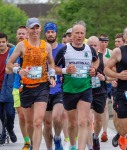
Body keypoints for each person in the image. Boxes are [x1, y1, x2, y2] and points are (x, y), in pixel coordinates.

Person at [6, 17, 56, 150]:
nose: (35, 31)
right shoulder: (22, 45)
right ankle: (33, 143)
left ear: (40, 29)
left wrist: (52, 76)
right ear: (27, 30)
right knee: (29, 123)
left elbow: (51, 62)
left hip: (42, 86)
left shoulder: (46, 46)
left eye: (37, 28)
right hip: (26, 87)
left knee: (38, 121)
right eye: (32, 28)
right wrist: (18, 70)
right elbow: (9, 64)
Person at [55, 21, 99, 150]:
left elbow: (96, 61)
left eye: (81, 33)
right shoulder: (64, 50)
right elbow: (54, 67)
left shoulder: (90, 50)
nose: (79, 36)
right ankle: (73, 145)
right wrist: (65, 70)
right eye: (76, 33)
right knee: (72, 123)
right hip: (69, 89)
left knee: (83, 121)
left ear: (84, 35)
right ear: (72, 35)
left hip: (85, 88)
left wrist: (94, 69)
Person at [43, 22, 64, 150]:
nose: (50, 34)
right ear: (45, 33)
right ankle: (49, 148)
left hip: (59, 89)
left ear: (56, 33)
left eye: (52, 31)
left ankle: (57, 137)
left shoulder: (63, 49)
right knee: (46, 123)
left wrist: (64, 74)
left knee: (57, 118)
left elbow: (69, 67)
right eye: (48, 32)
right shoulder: (41, 48)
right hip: (43, 90)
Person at [11, 26, 31, 150]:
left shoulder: (32, 48)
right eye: (19, 34)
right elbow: (8, 68)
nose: (21, 35)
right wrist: (15, 67)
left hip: (32, 86)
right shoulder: (13, 50)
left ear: (27, 35)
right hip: (17, 86)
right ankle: (26, 141)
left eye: (23, 33)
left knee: (31, 117)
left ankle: (34, 138)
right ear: (16, 36)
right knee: (22, 116)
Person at [87, 36, 108, 150]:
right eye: (91, 45)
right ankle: (90, 146)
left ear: (99, 46)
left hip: (100, 92)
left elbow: (111, 75)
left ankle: (95, 137)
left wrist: (103, 77)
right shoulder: (83, 58)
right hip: (86, 92)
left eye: (95, 45)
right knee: (89, 119)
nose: (93, 47)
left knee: (98, 120)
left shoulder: (103, 58)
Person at [0, 32, 17, 145]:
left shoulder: (12, 53)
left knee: (10, 113)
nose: (1, 44)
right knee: (1, 114)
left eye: (3, 42)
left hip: (8, 87)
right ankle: (3, 133)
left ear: (6, 42)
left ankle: (10, 128)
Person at [99, 34, 112, 142]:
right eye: (101, 41)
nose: (103, 43)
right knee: (96, 109)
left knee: (105, 107)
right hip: (96, 83)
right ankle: (95, 126)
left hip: (107, 82)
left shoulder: (111, 53)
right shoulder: (95, 52)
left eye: (105, 41)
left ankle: (105, 132)